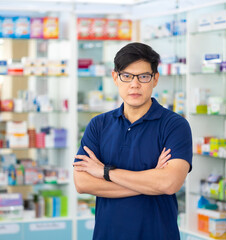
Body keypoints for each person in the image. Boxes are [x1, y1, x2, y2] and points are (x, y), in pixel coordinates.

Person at [73, 42, 192, 240]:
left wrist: (105, 172)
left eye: (143, 77)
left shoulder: (175, 125)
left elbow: (169, 184)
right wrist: (151, 181)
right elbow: (82, 183)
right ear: (115, 77)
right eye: (126, 76)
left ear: (155, 79)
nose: (134, 84)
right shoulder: (98, 125)